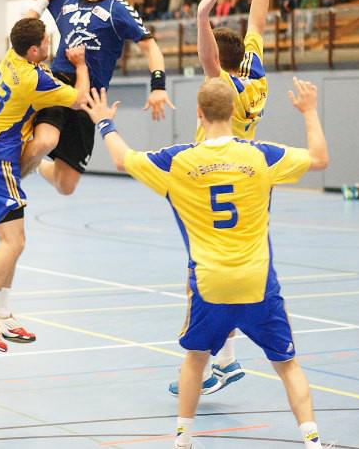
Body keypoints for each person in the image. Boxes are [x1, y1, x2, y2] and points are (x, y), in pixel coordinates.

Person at [82, 77, 329, 449]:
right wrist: (309, 111)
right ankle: (312, 441)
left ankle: (183, 440)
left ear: (199, 113)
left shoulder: (177, 161)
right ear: (233, 111)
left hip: (210, 284)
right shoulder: (261, 156)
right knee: (287, 365)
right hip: (257, 282)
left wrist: (104, 122)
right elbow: (320, 159)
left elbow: (122, 158)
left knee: (195, 359)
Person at [166, 0, 288, 397]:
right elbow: (257, 20)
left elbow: (209, 60)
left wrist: (202, 19)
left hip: (211, 177)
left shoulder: (224, 88)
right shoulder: (256, 78)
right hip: (248, 181)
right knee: (228, 268)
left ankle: (210, 361)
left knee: (203, 273)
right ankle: (226, 360)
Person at [0, 0, 174, 196]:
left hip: (90, 98)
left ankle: (35, 166)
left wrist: (158, 87)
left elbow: (150, 47)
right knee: (45, 141)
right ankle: (5, 191)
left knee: (65, 185)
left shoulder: (118, 10)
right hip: (59, 85)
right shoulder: (67, 1)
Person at [0, 18, 90, 352]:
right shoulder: (33, 79)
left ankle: (2, 313)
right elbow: (79, 99)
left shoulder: (12, 57)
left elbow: (30, 20)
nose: (50, 44)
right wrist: (81, 64)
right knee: (13, 243)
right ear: (33, 50)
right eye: (46, 41)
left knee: (13, 242)